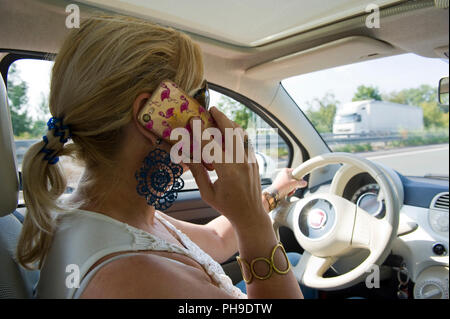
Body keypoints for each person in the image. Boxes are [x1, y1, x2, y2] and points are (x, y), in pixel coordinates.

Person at [16, 15, 307, 299]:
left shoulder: (107, 214)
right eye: (200, 97)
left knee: (293, 259)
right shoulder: (140, 278)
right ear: (151, 115)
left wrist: (271, 195)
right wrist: (255, 225)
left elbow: (216, 240)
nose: (206, 114)